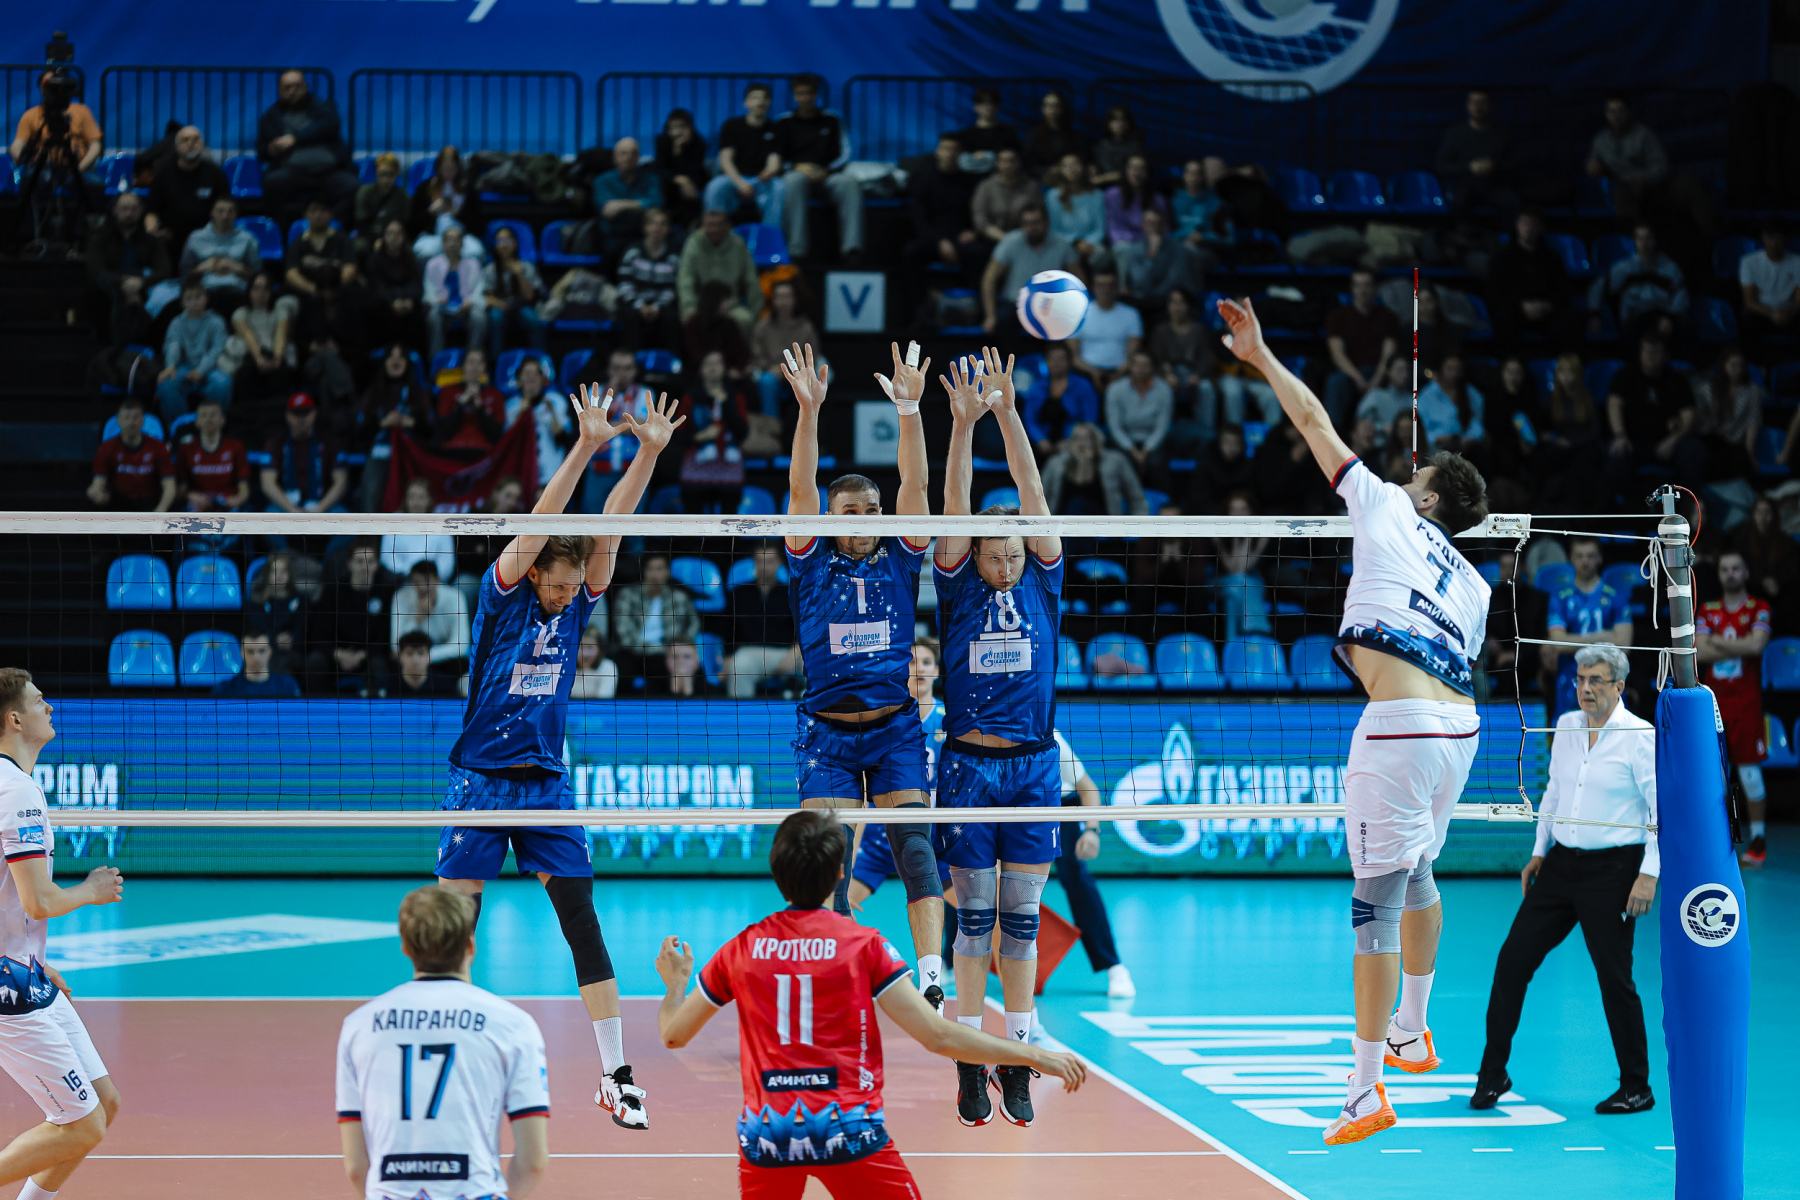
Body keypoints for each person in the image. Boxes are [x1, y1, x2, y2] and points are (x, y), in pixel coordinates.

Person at [1217, 293, 1491, 1146]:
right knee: (1418, 870)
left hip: (1401, 726)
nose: (1405, 479)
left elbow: (1312, 419)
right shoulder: (1477, 583)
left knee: (1373, 903)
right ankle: (1412, 1029)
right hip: (1462, 729)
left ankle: (1365, 1088)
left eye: (1418, 477)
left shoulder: (1386, 504)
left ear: (1431, 498)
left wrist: (1259, 356)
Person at [435, 382, 682, 1132]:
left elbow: (612, 527)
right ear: (536, 573)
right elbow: (545, 520)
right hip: (481, 780)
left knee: (582, 920)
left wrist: (646, 453)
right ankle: (451, 1058)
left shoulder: (576, 604)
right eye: (562, 583)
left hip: (544, 784)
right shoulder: (503, 597)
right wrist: (584, 446)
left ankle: (616, 1074)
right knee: (453, 927)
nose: (572, 595)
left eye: (579, 586)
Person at [652, 809, 1085, 1196]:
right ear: (841, 875)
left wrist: (676, 983)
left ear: (775, 870)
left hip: (769, 1139)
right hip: (851, 1135)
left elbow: (673, 1036)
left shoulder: (742, 949)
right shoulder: (863, 946)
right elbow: (938, 1036)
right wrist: (1033, 1054)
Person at [780, 341, 949, 1004]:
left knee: (916, 849)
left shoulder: (901, 557)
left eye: (872, 511)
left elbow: (917, 488)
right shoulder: (809, 557)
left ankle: (932, 981)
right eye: (850, 512)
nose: (864, 520)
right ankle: (836, 975)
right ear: (830, 518)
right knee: (828, 860)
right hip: (826, 733)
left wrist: (909, 410)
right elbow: (800, 489)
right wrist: (809, 410)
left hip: (894, 729)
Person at [933, 347, 1066, 1127]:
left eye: (1016, 551)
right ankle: (969, 1060)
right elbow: (955, 505)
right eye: (996, 554)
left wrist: (1009, 413)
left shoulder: (1043, 577)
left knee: (1022, 921)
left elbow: (1033, 494)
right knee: (974, 921)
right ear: (975, 556)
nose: (1009, 563)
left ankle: (1016, 1058)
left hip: (1034, 769)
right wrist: (963, 425)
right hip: (968, 768)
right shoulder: (957, 583)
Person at [1473, 643, 1658, 1117]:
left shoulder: (1640, 736)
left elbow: (1661, 812)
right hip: (1560, 866)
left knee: (1614, 978)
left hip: (1614, 871)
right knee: (1511, 962)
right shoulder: (1568, 726)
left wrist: (1649, 874)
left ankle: (1637, 1086)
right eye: (1580, 680)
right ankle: (1492, 1073)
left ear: (1619, 686)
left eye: (1596, 680)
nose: (1585, 688)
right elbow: (1554, 791)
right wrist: (1539, 851)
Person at [336, 887, 549, 1200]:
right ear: (471, 945)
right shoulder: (513, 1025)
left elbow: (357, 1167)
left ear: (405, 947)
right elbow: (533, 1162)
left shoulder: (359, 1026)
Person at [0, 669, 124, 1196]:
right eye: (39, 701)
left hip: (23, 970)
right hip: (8, 986)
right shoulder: (15, 791)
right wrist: (91, 890)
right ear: (14, 719)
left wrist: (32, 955)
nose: (49, 707)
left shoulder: (14, 784)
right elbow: (39, 901)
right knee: (82, 1124)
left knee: (104, 1104)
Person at [848, 640, 949, 911]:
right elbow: (863, 793)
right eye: (912, 662)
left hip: (933, 838)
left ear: (936, 671)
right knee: (838, 904)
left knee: (978, 909)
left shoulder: (950, 720)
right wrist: (850, 856)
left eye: (926, 663)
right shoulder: (884, 720)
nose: (920, 669)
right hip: (881, 835)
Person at [1695, 551, 1774, 868]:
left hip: (1747, 703)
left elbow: (1757, 646)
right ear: (1719, 574)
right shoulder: (1708, 609)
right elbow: (1699, 653)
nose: (1730, 574)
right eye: (1725, 569)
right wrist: (1739, 645)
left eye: (1736, 568)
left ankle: (1758, 840)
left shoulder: (1759, 607)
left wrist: (1717, 642)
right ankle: (1719, 841)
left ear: (1746, 572)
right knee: (1714, 775)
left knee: (1750, 774)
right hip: (1713, 703)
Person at [1050, 730, 1134, 998]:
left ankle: (1115, 968)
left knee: (1076, 877)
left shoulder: (1050, 737)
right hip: (1015, 811)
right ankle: (948, 962)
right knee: (971, 872)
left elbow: (1088, 789)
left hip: (1061, 808)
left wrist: (1092, 830)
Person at [1586, 94, 1715, 235]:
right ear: (1606, 114)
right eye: (1612, 111)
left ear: (1629, 112)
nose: (1617, 116)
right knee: (1622, 192)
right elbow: (1594, 163)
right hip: (1622, 187)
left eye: (1621, 111)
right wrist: (1594, 168)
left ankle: (1711, 235)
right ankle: (1635, 239)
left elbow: (1662, 167)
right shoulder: (1601, 141)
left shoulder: (1644, 135)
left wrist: (1644, 179)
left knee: (1690, 184)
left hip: (1655, 185)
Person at [1539, 536, 1632, 720]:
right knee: (1566, 730)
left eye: (1590, 556)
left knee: (1614, 731)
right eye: (1580, 556)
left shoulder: (1616, 597)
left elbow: (1625, 645)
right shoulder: (1560, 598)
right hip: (1571, 676)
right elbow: (1558, 642)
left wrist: (1572, 641)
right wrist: (1605, 637)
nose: (1585, 561)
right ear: (1571, 558)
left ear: (1599, 558)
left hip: (1608, 676)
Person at [775, 75, 863, 264]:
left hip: (828, 175)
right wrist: (797, 167)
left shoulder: (832, 119)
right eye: (800, 94)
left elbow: (846, 152)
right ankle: (797, 250)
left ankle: (852, 249)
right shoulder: (784, 122)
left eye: (808, 93)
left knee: (849, 183)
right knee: (792, 181)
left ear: (816, 95)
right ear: (794, 95)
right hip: (797, 174)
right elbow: (777, 157)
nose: (804, 98)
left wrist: (827, 171)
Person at [1604, 333, 1704, 499]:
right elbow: (1614, 405)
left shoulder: (1677, 380)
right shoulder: (1625, 375)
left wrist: (1673, 440)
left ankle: (1689, 503)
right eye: (1647, 352)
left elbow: (1689, 415)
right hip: (1634, 441)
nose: (1651, 356)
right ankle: (1624, 505)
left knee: (1694, 450)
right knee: (1617, 453)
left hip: (1667, 441)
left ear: (1665, 355)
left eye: (1656, 352)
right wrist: (1620, 435)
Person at [256, 70, 357, 222]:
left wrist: (295, 139)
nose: (292, 91)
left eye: (297, 86)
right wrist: (270, 149)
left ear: (305, 87)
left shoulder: (323, 108)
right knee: (271, 184)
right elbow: (261, 149)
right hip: (293, 173)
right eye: (287, 87)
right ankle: (284, 230)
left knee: (353, 186)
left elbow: (329, 125)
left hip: (328, 172)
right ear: (280, 91)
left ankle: (330, 226)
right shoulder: (271, 116)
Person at [980, 203, 1080, 344]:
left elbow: (1079, 278)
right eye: (1027, 223)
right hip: (1015, 305)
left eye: (1036, 222)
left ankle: (1053, 357)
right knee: (1002, 321)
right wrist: (990, 316)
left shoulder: (1062, 245)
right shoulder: (1010, 242)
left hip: (1050, 306)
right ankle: (1010, 359)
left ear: (1046, 222)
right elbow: (989, 279)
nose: (1032, 227)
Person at [1588, 222, 1689, 348]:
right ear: (1635, 241)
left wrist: (1669, 317)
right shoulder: (1624, 268)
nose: (1644, 243)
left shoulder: (1670, 268)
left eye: (1648, 238)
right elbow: (1598, 287)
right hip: (1636, 317)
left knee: (1686, 326)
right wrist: (1595, 314)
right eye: (1640, 238)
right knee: (1630, 330)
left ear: (1655, 240)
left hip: (1663, 316)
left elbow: (1680, 296)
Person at [578, 350, 656, 514]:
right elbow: (592, 426)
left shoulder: (646, 394)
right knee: (593, 523)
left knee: (632, 525)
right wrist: (610, 394)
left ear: (635, 371)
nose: (622, 373)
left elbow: (642, 427)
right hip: (599, 469)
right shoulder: (595, 392)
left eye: (627, 368)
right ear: (609, 370)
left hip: (634, 472)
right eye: (617, 368)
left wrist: (606, 426)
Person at [902, 133, 980, 297]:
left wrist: (974, 231)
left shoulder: (970, 182)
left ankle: (973, 305)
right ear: (937, 152)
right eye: (945, 149)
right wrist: (939, 241)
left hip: (962, 238)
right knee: (911, 253)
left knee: (980, 253)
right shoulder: (924, 180)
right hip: (934, 237)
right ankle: (920, 305)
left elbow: (978, 213)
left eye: (954, 149)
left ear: (960, 153)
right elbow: (919, 219)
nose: (950, 154)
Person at [1488, 209, 1574, 353]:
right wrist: (1520, 306)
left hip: (1546, 310)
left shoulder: (1552, 257)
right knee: (1503, 319)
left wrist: (1547, 305)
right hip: (1516, 310)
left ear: (1540, 227)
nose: (1528, 228)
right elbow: (1495, 291)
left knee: (1569, 319)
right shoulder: (1503, 257)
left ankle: (1564, 363)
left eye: (1533, 224)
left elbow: (1562, 288)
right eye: (1524, 223)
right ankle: (1512, 363)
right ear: (1517, 225)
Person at [84, 193, 171, 336]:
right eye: (124, 208)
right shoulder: (100, 240)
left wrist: (141, 283)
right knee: (101, 290)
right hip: (111, 287)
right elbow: (95, 271)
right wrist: (126, 285)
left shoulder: (152, 241)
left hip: (144, 287)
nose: (129, 213)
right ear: (115, 210)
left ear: (140, 210)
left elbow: (165, 270)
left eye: (133, 209)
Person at [722, 543, 800, 700]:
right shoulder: (738, 594)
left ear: (779, 563)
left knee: (814, 665)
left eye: (770, 561)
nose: (765, 566)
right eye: (760, 561)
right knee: (739, 666)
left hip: (786, 653)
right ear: (754, 562)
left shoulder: (792, 594)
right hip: (749, 653)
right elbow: (727, 631)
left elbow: (804, 629)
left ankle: (811, 712)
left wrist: (795, 652)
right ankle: (742, 715)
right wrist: (728, 658)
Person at [1324, 269, 1400, 430]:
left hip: (1379, 373)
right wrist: (1358, 379)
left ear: (1375, 289)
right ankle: (1332, 434)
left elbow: (1389, 354)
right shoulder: (1338, 317)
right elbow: (1337, 354)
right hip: (1350, 374)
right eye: (1358, 285)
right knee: (1335, 382)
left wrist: (1377, 379)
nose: (1363, 290)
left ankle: (1398, 433)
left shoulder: (1388, 317)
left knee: (1402, 376)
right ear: (1352, 289)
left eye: (1367, 285)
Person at [308, 538, 393, 680]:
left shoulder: (386, 593)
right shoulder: (333, 591)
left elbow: (384, 638)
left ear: (377, 564)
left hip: (368, 657)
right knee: (315, 662)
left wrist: (362, 655)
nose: (365, 567)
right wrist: (338, 654)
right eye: (359, 561)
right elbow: (319, 633)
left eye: (370, 561)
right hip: (336, 656)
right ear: (349, 564)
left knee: (379, 665)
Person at [611, 552, 702, 682]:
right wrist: (656, 649)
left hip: (667, 653)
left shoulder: (679, 597)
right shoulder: (628, 595)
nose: (655, 574)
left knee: (678, 666)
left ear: (667, 572)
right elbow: (623, 632)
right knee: (621, 667)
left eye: (659, 568)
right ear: (644, 571)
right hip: (632, 651)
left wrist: (680, 645)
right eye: (650, 569)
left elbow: (694, 624)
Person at [704, 82, 785, 225]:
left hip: (761, 181)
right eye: (754, 97)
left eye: (764, 98)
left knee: (779, 187)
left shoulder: (776, 129)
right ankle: (714, 231)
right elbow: (726, 159)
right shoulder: (732, 126)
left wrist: (768, 172)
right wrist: (740, 183)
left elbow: (774, 160)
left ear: (769, 103)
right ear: (746, 103)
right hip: (734, 179)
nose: (759, 102)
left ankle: (770, 234)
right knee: (715, 186)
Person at [156, 279, 233, 428]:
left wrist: (201, 370)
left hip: (212, 368)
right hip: (184, 367)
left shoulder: (216, 321)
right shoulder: (176, 323)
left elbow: (216, 349)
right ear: (183, 303)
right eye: (189, 298)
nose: (194, 302)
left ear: (206, 299)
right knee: (166, 384)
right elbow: (173, 344)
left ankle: (214, 423)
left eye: (198, 297)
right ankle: (180, 426)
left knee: (223, 383)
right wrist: (170, 365)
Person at [678, 209, 760, 341]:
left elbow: (751, 280)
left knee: (746, 319)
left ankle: (740, 354)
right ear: (703, 226)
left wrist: (755, 312)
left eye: (719, 224)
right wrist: (689, 308)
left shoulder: (738, 244)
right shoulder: (693, 243)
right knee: (690, 320)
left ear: (728, 226)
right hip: (701, 306)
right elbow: (685, 281)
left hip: (731, 305)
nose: (715, 230)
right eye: (710, 225)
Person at [145, 126, 231, 252]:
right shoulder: (163, 174)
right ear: (176, 146)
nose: (191, 143)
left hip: (207, 243)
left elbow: (227, 209)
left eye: (195, 139)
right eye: (185, 140)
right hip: (170, 240)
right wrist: (153, 231)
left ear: (202, 144)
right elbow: (151, 211)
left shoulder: (215, 175)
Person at [1434, 88, 1517, 217]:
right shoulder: (1455, 134)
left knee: (1512, 202)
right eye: (1474, 102)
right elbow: (1441, 166)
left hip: (1495, 186)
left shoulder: (1503, 133)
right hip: (1465, 186)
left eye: (1482, 102)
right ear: (1468, 105)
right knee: (1459, 202)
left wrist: (1493, 166)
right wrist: (1469, 167)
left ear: (1490, 105)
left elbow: (1515, 164)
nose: (1478, 107)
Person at [261, 393, 349, 515]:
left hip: (322, 504)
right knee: (270, 515)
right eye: (296, 413)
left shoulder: (330, 441)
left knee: (341, 515)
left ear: (314, 413)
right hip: (286, 505)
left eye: (306, 413)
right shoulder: (276, 442)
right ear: (287, 415)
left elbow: (340, 483)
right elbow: (268, 484)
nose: (301, 418)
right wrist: (292, 510)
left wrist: (318, 510)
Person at [9, 67, 102, 180]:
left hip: (79, 170)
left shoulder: (82, 111)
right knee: (31, 181)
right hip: (43, 170)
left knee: (94, 183)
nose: (53, 90)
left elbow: (95, 145)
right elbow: (18, 144)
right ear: (41, 87)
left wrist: (78, 169)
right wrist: (21, 157)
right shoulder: (30, 115)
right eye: (48, 85)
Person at [88, 396, 176, 512]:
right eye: (127, 417)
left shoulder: (159, 447)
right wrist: (96, 492)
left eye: (135, 417)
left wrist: (159, 513)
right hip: (118, 503)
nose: (131, 422)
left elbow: (169, 486)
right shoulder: (106, 448)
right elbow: (99, 481)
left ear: (142, 420)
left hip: (150, 503)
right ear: (118, 421)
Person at [1041, 421, 1145, 516]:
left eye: (1087, 439)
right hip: (1062, 524)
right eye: (1077, 439)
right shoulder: (1056, 464)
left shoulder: (1115, 461)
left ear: (1097, 441)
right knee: (1076, 505)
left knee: (1079, 505)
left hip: (1103, 524)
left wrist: (1137, 526)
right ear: (1070, 442)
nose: (1082, 444)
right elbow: (1040, 496)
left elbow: (1136, 498)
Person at [615, 207, 683, 352]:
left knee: (672, 318)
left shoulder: (673, 257)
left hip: (661, 304)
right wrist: (639, 305)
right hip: (635, 302)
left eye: (662, 224)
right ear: (645, 227)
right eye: (653, 223)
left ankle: (670, 361)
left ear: (668, 229)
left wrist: (658, 306)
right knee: (629, 316)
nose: (657, 228)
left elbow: (672, 288)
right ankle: (632, 361)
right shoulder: (632, 252)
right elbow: (624, 284)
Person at [750, 279, 820, 418]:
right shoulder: (763, 327)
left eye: (787, 297)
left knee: (808, 384)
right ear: (773, 300)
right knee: (767, 381)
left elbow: (812, 357)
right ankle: (771, 425)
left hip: (798, 373)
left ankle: (805, 425)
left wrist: (788, 370)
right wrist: (770, 367)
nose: (783, 302)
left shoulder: (806, 328)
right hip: (770, 372)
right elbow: (757, 355)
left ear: (795, 300)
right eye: (779, 297)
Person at [179, 196, 260, 313]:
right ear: (212, 212)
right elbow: (184, 274)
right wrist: (201, 268)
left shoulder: (248, 239)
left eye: (230, 211)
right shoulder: (196, 238)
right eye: (220, 211)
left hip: (238, 292)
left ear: (236, 214)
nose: (225, 216)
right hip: (204, 293)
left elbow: (257, 275)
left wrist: (239, 269)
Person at [226, 272, 298, 403]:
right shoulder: (240, 313)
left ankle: (278, 409)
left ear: (271, 291)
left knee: (281, 371)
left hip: (274, 353)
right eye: (256, 288)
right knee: (246, 371)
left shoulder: (280, 312)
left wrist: (277, 359)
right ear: (249, 291)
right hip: (250, 355)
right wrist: (259, 358)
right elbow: (248, 337)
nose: (261, 293)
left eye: (265, 289)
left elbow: (280, 336)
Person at [1693, 346, 1762, 480]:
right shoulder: (1708, 388)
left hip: (1735, 443)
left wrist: (1750, 453)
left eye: (1741, 366)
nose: (1738, 370)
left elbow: (1753, 422)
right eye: (1733, 366)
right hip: (1712, 441)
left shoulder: (1752, 390)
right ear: (1724, 366)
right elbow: (1699, 418)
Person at [1020, 342, 1100, 456]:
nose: (1056, 363)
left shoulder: (1083, 386)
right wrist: (1040, 439)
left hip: (1076, 442)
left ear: (1069, 361)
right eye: (1052, 359)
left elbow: (1090, 420)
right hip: (1042, 444)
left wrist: (1070, 440)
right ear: (1046, 362)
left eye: (1061, 359)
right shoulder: (1037, 387)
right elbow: (1030, 419)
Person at [1105, 349, 1173, 481]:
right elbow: (1115, 426)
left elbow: (1162, 426)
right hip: (1124, 439)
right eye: (1137, 364)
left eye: (1146, 365)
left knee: (1156, 463)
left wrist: (1146, 450)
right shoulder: (1115, 389)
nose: (1141, 369)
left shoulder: (1164, 389)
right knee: (1122, 461)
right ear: (1130, 366)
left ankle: (1162, 494)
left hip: (1152, 439)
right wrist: (1133, 450)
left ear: (1152, 367)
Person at [1068, 269, 1141, 391]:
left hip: (1121, 373)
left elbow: (1133, 355)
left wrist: (1117, 375)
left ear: (1117, 288)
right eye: (1101, 285)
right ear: (1093, 288)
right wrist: (1094, 373)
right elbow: (1074, 357)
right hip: (1086, 372)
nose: (1106, 290)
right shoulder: (1079, 314)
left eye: (1110, 286)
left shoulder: (1131, 314)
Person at [391, 559, 472, 668]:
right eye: (417, 582)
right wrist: (419, 617)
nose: (422, 587)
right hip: (412, 659)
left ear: (437, 580)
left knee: (462, 665)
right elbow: (396, 646)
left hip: (442, 659)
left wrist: (425, 657)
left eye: (427, 581)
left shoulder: (455, 597)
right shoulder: (401, 597)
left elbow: (460, 646)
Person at [361, 219, 426, 354]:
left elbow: (416, 284)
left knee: (421, 312)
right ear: (384, 236)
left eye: (397, 234)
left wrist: (409, 300)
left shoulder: (413, 259)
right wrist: (392, 301)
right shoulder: (374, 259)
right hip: (384, 303)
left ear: (404, 237)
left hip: (408, 304)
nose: (393, 238)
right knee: (372, 308)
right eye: (390, 233)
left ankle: (416, 356)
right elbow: (377, 286)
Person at [480, 226, 545, 361]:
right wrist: (500, 304)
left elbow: (530, 297)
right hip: (501, 308)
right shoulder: (490, 270)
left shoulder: (527, 267)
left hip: (522, 307)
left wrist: (520, 275)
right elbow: (486, 296)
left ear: (515, 243)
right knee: (495, 318)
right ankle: (496, 362)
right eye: (499, 241)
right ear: (495, 246)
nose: (504, 245)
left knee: (533, 319)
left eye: (507, 240)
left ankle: (540, 361)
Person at [423, 224, 487, 361]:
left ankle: (473, 359)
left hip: (466, 308)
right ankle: (436, 361)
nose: (452, 243)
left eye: (456, 239)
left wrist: (469, 302)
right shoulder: (432, 264)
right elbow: (428, 291)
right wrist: (437, 300)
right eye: (449, 240)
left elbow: (479, 289)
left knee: (479, 318)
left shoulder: (473, 264)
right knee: (433, 317)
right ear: (443, 244)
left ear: (462, 244)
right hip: (442, 308)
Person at [175, 398, 250, 512]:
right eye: (204, 415)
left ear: (223, 419)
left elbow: (244, 486)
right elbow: (181, 488)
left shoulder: (236, 447)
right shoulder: (186, 449)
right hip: (199, 504)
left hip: (229, 503)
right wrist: (190, 496)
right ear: (197, 421)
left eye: (213, 415)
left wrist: (238, 499)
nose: (208, 419)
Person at [433, 345, 509, 459]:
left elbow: (495, 435)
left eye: (479, 363)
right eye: (471, 362)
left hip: (484, 454)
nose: (474, 367)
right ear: (464, 366)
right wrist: (460, 404)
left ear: (484, 367)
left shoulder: (495, 395)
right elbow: (444, 432)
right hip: (452, 453)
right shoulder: (447, 392)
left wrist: (480, 408)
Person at [1116, 207, 1200, 310]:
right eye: (1150, 223)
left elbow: (1174, 280)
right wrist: (1152, 255)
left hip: (1167, 301)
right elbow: (1141, 282)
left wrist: (1154, 296)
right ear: (1143, 226)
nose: (1154, 228)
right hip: (1141, 300)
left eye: (1158, 224)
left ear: (1163, 226)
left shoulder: (1178, 249)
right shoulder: (1133, 251)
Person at [592, 137, 663, 257]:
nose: (629, 157)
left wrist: (620, 205)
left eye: (633, 153)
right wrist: (641, 205)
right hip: (613, 235)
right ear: (615, 157)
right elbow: (607, 210)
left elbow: (657, 204)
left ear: (639, 156)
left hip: (642, 234)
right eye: (623, 153)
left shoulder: (651, 179)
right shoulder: (602, 181)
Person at [1737, 219, 1800, 353]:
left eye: (1778, 237)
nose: (1774, 243)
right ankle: (1755, 363)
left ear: (1784, 239)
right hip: (1763, 313)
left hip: (1789, 313)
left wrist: (1789, 313)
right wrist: (1771, 313)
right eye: (1770, 237)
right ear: (1763, 238)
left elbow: (1798, 299)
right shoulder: (1749, 262)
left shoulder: (1797, 262)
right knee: (1748, 323)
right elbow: (1749, 301)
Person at [382, 477, 456, 578]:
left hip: (434, 582)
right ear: (406, 499)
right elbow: (387, 557)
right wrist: (411, 576)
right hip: (400, 581)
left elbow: (447, 563)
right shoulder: (394, 521)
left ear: (429, 500)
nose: (416, 502)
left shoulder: (441, 524)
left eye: (421, 497)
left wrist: (429, 578)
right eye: (412, 497)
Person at [1414, 354, 1485, 453]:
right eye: (1449, 368)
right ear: (1441, 369)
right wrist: (1437, 439)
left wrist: (1470, 438)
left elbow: (1477, 422)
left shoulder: (1471, 393)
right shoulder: (1426, 395)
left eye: (1458, 369)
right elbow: (1421, 428)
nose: (1454, 373)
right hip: (1435, 450)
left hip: (1466, 449)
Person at [1046, 155, 1105, 270]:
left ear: (1083, 167)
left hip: (1090, 244)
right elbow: (1054, 230)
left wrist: (1087, 243)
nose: (1072, 169)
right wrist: (1074, 243)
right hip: (1064, 243)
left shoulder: (1096, 195)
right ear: (1060, 170)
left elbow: (1100, 229)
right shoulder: (1053, 196)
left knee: (1100, 254)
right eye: (1066, 166)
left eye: (1075, 164)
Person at [1171, 159, 1233, 268]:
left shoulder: (1216, 204)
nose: (1193, 177)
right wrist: (1184, 237)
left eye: (1197, 173)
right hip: (1177, 248)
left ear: (1203, 177)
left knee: (1187, 254)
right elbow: (1167, 232)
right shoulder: (1174, 202)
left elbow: (1228, 238)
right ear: (1184, 176)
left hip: (1206, 250)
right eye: (1190, 172)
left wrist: (1203, 237)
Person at [971, 148, 1039, 247]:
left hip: (1025, 239)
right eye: (1003, 161)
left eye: (1012, 161)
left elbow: (1038, 215)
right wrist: (1004, 238)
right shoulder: (985, 187)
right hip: (992, 239)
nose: (1008, 165)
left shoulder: (1031, 187)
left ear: (1019, 163)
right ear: (997, 163)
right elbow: (980, 219)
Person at [652, 108, 708, 227]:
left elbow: (695, 171)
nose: (677, 131)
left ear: (689, 127)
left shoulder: (699, 143)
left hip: (692, 182)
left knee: (691, 188)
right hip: (669, 183)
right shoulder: (662, 141)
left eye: (682, 127)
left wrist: (681, 154)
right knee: (663, 183)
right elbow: (659, 169)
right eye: (673, 127)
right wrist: (679, 179)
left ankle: (693, 224)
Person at [409, 146, 473, 242]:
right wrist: (430, 211)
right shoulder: (424, 188)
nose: (449, 173)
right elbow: (413, 224)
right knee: (425, 249)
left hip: (461, 237)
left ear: (458, 168)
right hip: (432, 236)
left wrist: (459, 213)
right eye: (445, 168)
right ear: (438, 168)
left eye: (452, 169)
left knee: (475, 249)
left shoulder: (468, 190)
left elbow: (477, 225)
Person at [212, 631, 303, 698]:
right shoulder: (224, 689)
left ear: (270, 651)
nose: (256, 657)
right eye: (250, 651)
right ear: (242, 653)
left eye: (261, 651)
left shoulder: (287, 685)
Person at [953, 86, 1022, 174]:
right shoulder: (965, 135)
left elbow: (1016, 159)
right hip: (969, 179)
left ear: (997, 106)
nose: (988, 106)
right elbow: (959, 163)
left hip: (1001, 178)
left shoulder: (1008, 134)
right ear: (975, 106)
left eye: (992, 102)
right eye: (982, 102)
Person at [1103, 155, 1168, 248]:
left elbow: (1164, 230)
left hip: (1149, 243)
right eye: (1133, 168)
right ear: (1126, 170)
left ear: (1148, 172)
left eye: (1141, 169)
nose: (1137, 173)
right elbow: (1112, 228)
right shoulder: (1112, 195)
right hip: (1123, 243)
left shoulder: (1157, 199)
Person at [350, 152, 408, 256]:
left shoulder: (402, 197)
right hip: (368, 235)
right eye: (382, 174)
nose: (386, 180)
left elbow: (405, 223)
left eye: (390, 175)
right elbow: (361, 223)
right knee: (360, 246)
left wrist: (388, 240)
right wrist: (375, 240)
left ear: (397, 174)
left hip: (393, 236)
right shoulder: (365, 192)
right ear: (376, 173)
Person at [1022, 91, 1087, 178]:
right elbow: (1028, 161)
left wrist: (1063, 168)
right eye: (1049, 105)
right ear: (1043, 108)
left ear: (1061, 108)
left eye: (1056, 105)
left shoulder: (1072, 135)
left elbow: (1082, 156)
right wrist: (1046, 171)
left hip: (1068, 176)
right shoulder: (1034, 134)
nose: (1052, 110)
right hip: (1042, 177)